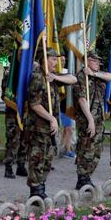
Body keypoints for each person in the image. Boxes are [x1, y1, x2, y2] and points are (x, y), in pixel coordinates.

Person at [27, 49, 76, 200]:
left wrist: (54, 77)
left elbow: (73, 79)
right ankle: (35, 192)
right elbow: (34, 104)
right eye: (53, 59)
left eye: (57, 59)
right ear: (44, 60)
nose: (56, 62)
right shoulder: (37, 76)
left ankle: (41, 187)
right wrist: (52, 118)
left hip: (49, 127)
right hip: (38, 126)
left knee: (47, 159)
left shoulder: (52, 76)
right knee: (37, 158)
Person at [73, 51, 111, 189]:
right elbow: (81, 99)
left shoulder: (98, 76)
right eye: (95, 61)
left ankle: (88, 175)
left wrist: (95, 74)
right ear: (87, 61)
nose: (98, 63)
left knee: (96, 150)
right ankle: (82, 178)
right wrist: (90, 120)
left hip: (99, 119)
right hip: (86, 119)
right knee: (86, 148)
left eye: (98, 61)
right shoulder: (81, 76)